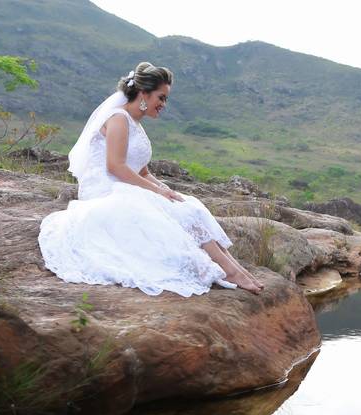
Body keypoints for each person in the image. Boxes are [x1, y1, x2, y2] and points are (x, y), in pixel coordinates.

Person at [38, 62, 263, 295]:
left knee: (190, 207)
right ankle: (231, 272)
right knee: (174, 211)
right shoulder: (118, 118)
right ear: (144, 94)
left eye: (165, 99)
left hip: (128, 185)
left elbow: (143, 171)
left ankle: (235, 269)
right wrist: (156, 192)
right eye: (161, 97)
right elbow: (115, 166)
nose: (164, 104)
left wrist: (163, 187)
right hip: (107, 189)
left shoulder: (136, 125)